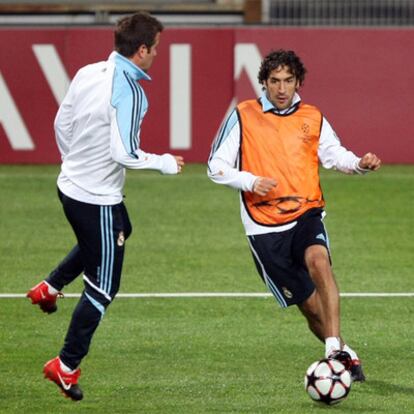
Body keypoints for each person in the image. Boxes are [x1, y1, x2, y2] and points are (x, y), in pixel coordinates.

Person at [27, 12, 184, 401]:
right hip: (96, 198)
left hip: (71, 187)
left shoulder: (88, 71)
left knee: (122, 228)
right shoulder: (130, 90)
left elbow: (61, 125)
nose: (157, 56)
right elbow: (125, 153)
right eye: (156, 49)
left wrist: (76, 166)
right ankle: (65, 365)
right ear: (143, 49)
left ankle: (49, 288)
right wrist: (165, 162)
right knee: (103, 288)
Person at [207, 49, 380, 382]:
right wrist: (250, 181)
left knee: (319, 261)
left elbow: (334, 155)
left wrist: (359, 164)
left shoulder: (313, 116)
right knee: (311, 309)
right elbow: (215, 167)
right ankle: (347, 353)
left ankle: (332, 351)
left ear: (298, 82)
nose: (282, 88)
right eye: (274, 81)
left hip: (306, 212)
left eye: (288, 80)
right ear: (264, 83)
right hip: (263, 227)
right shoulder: (244, 115)